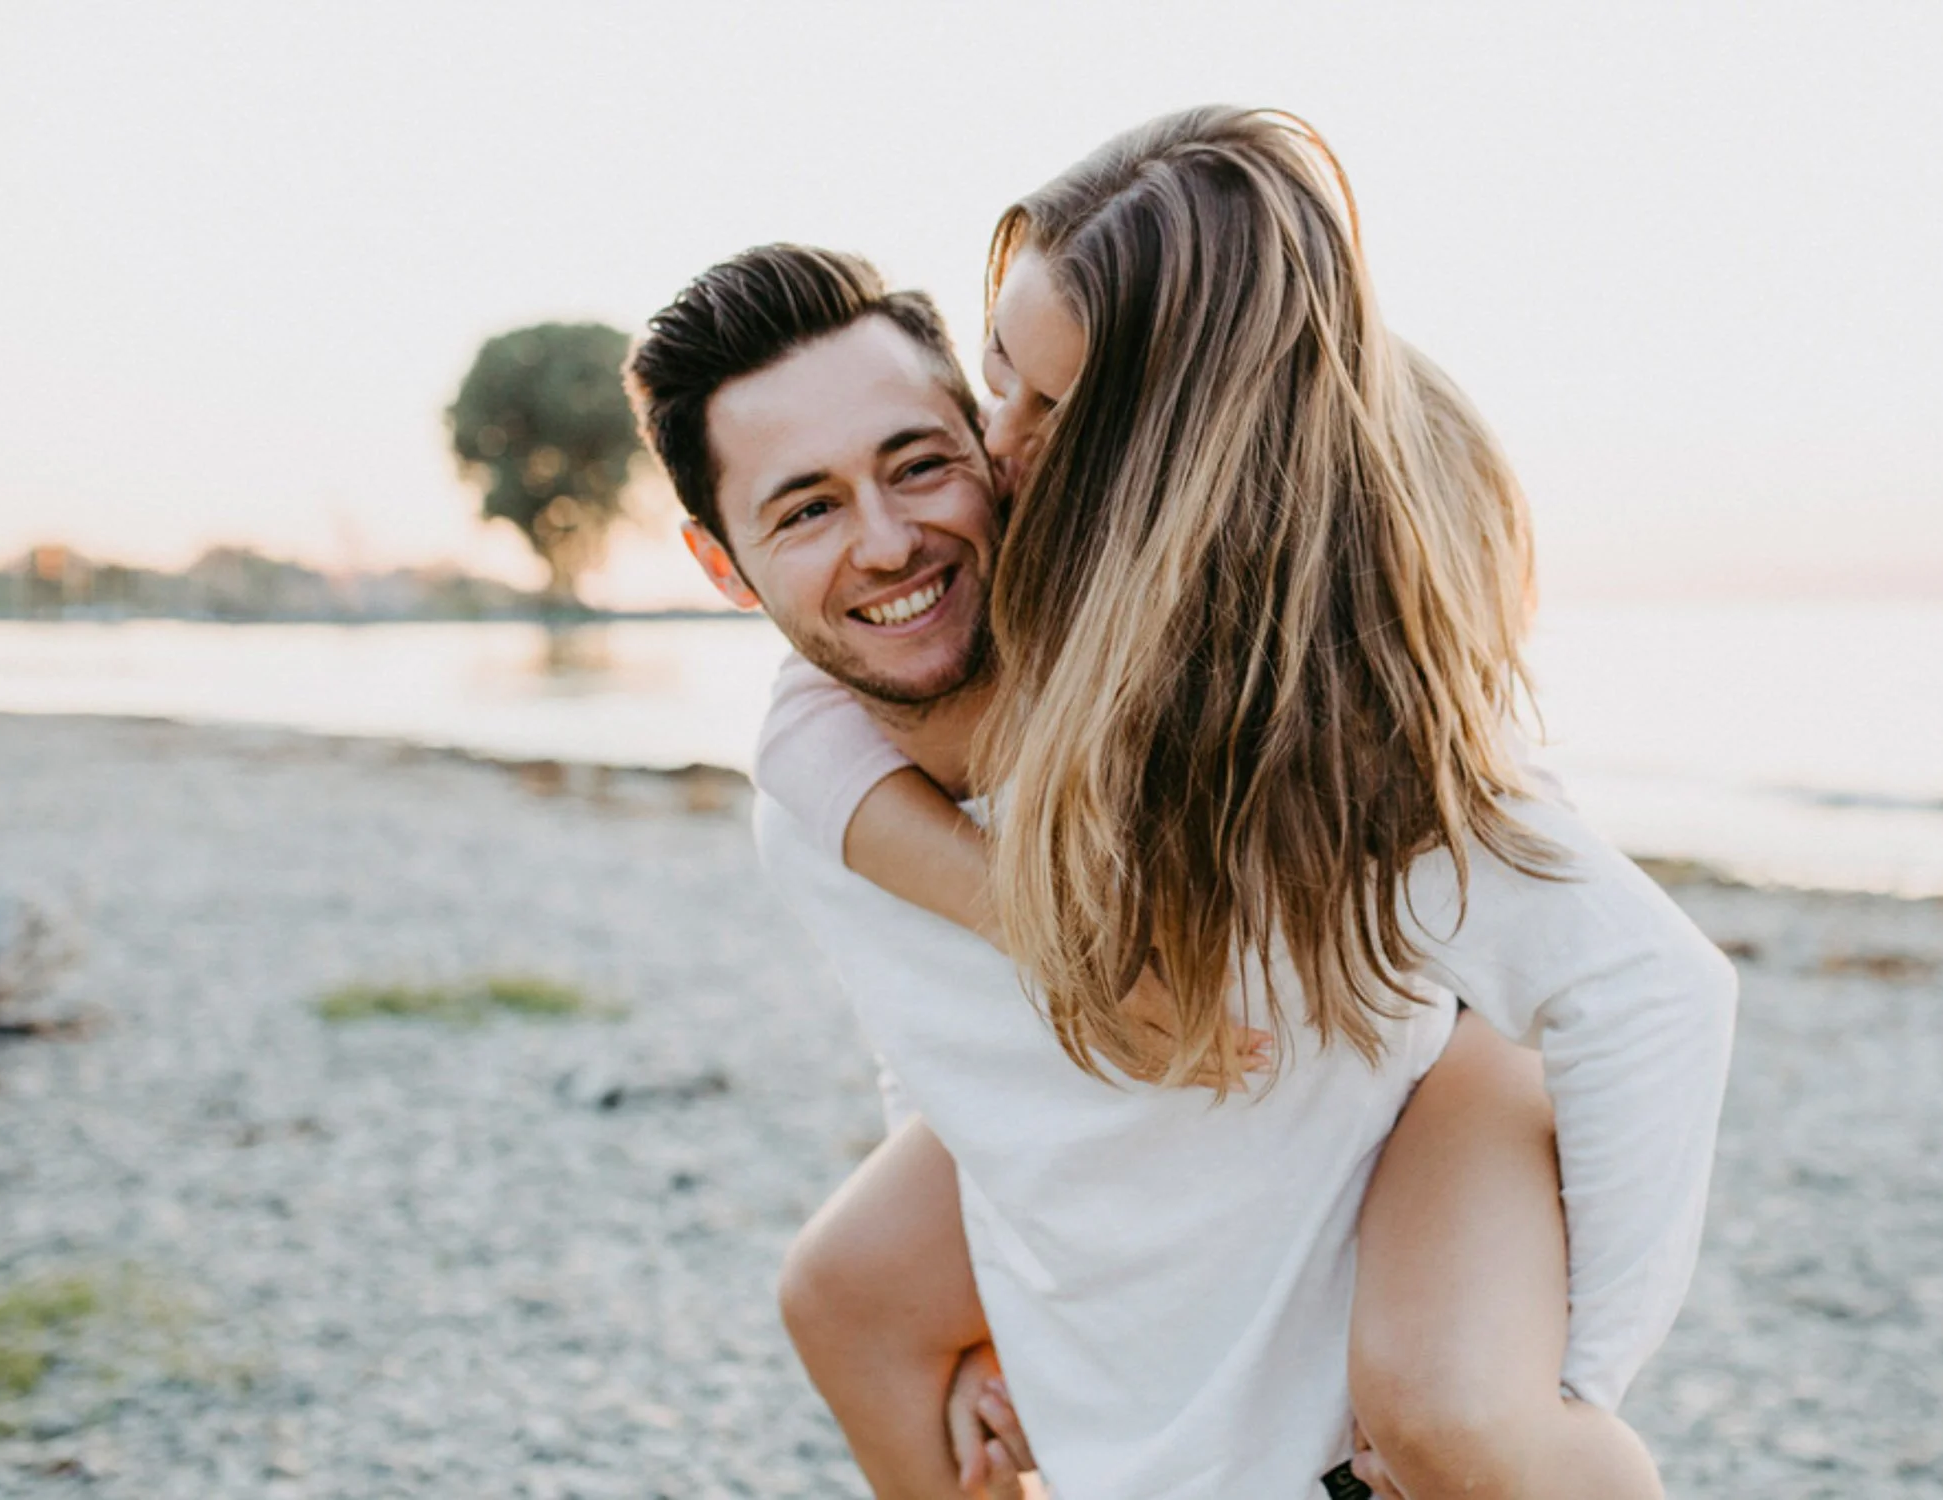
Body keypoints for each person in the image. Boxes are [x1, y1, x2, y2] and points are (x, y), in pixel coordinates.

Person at [627, 107, 1736, 1500]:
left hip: (1417, 1122)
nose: (895, 536)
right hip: (1143, 1352)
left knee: (1455, 1413)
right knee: (841, 1294)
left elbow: (1653, 992)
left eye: (926, 458)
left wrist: (1565, 1398)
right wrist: (982, 1304)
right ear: (725, 569)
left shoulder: (1247, 718)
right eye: (804, 510)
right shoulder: (822, 784)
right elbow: (924, 1023)